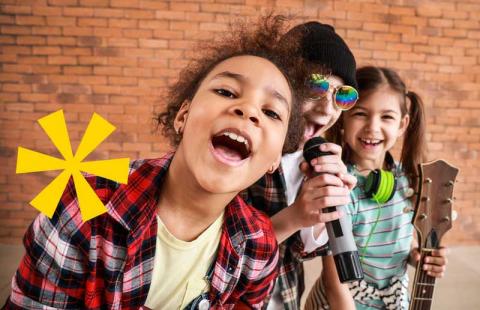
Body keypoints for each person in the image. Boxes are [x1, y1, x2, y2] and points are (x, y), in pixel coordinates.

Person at [4, 15, 315, 310]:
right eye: (225, 91)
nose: (248, 110)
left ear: (276, 158)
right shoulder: (86, 202)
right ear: (183, 116)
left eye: (272, 112)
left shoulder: (259, 247)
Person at [305, 66, 448, 309]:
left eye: (387, 117)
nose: (373, 127)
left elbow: (403, 239)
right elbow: (335, 281)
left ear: (402, 125)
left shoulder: (409, 179)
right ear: (343, 118)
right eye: (361, 114)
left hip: (392, 301)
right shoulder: (335, 184)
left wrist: (418, 256)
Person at [243, 21, 359, 309]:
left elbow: (301, 250)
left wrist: (323, 209)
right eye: (315, 87)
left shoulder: (310, 160)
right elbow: (223, 253)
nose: (327, 109)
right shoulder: (239, 149)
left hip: (287, 298)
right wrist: (293, 216)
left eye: (341, 95)